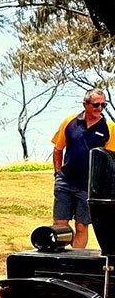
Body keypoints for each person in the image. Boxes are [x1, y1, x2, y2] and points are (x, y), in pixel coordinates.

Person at [51, 88, 115, 248]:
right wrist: (57, 173)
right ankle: (60, 261)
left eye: (103, 105)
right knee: (60, 225)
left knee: (81, 225)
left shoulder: (109, 127)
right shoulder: (70, 122)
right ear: (85, 104)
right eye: (96, 105)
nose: (99, 109)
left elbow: (111, 160)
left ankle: (76, 262)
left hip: (88, 186)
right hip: (65, 181)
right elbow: (58, 149)